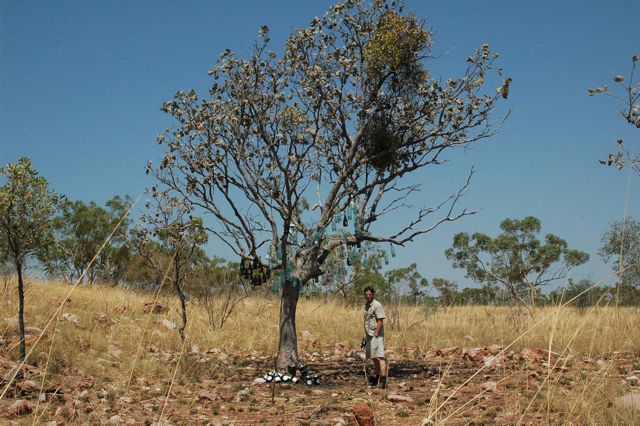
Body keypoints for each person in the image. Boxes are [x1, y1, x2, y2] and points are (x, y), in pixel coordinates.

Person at [362, 286, 387, 388]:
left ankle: (383, 380)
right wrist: (366, 336)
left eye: (370, 294)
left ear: (373, 294)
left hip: (376, 335)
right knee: (373, 357)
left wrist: (376, 333)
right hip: (369, 335)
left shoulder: (377, 305)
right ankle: (377, 377)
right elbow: (367, 321)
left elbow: (380, 320)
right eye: (366, 294)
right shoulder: (366, 305)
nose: (368, 296)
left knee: (380, 356)